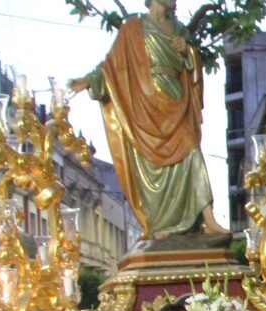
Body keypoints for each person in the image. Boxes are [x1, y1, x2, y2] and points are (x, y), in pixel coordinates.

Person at [69, 0, 229, 239]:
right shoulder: (132, 28)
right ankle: (160, 224)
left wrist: (188, 51)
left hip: (177, 98)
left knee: (192, 148)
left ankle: (208, 217)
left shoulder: (180, 29)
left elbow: (192, 64)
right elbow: (113, 67)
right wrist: (90, 81)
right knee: (152, 163)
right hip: (146, 102)